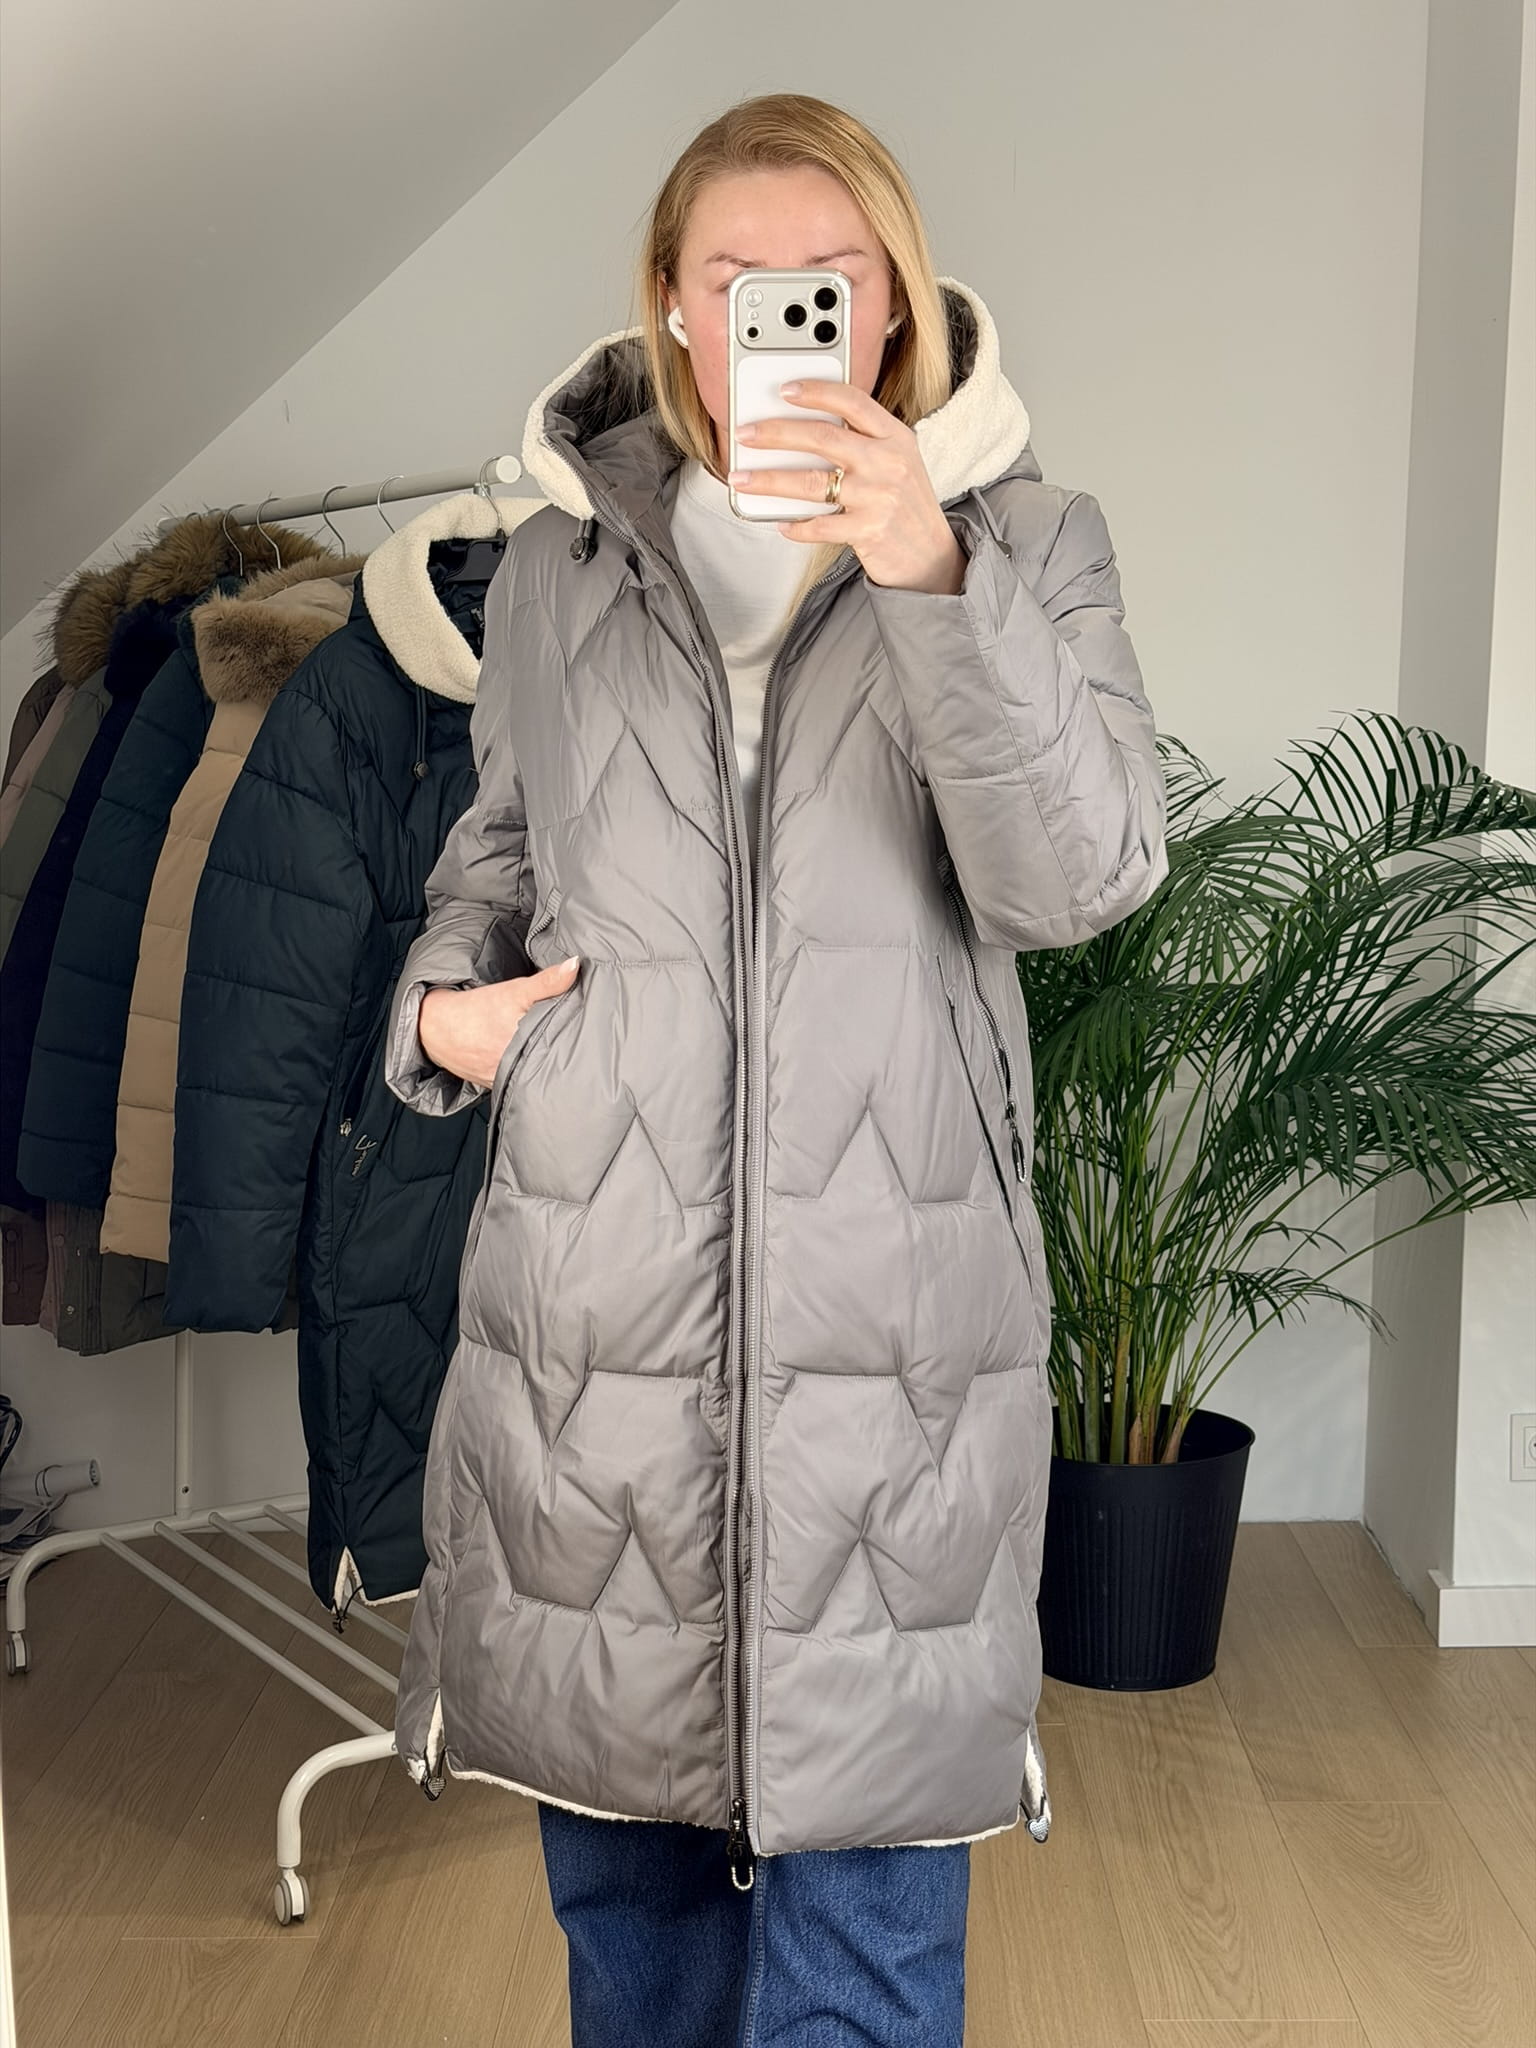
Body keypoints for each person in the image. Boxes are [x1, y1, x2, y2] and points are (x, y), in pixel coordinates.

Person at [384, 90, 1168, 2048]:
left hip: (891, 1334)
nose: (783, 309)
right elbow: (497, 859)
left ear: (893, 301)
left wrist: (929, 575)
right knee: (633, 1942)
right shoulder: (560, 570)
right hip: (596, 1328)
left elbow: (1079, 881)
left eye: (831, 274)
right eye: (738, 274)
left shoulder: (1029, 541)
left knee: (866, 1965)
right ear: (672, 297)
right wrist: (444, 1014)